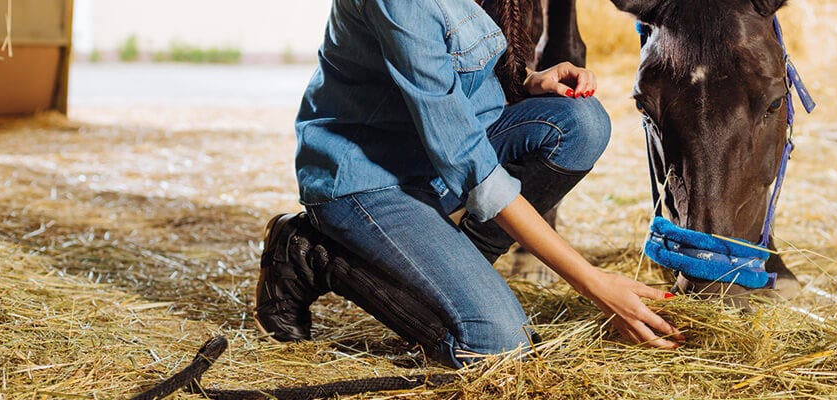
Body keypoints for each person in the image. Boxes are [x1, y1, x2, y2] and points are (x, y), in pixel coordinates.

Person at [254, 0, 684, 369]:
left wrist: (532, 81)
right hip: (368, 181)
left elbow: (457, 75)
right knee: (497, 345)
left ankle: (456, 262)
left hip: (428, 165)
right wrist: (594, 284)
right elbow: (472, 166)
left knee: (580, 125)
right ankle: (312, 253)